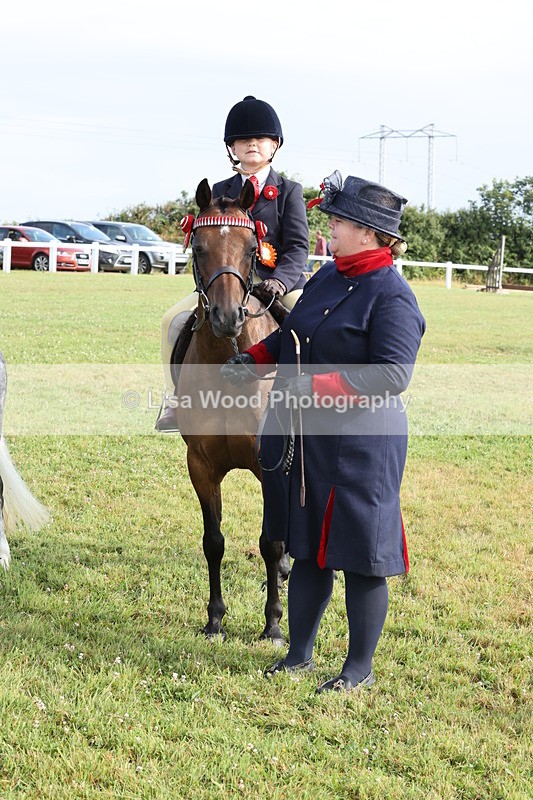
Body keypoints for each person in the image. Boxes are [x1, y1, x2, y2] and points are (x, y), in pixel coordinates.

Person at [221, 171, 426, 693]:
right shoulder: (327, 277)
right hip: (307, 440)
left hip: (362, 444)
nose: (328, 228)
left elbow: (391, 375)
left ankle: (358, 669)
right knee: (307, 547)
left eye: (337, 220)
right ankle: (299, 654)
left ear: (368, 230)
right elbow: (292, 335)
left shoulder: (393, 297)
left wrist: (313, 388)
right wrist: (252, 360)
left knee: (361, 558)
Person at [155, 95, 309, 432]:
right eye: (243, 140)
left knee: (305, 324)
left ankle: (306, 402)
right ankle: (175, 400)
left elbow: (298, 247)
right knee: (173, 320)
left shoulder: (289, 191)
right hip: (225, 285)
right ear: (232, 149)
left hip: (275, 285)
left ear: (274, 146)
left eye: (261, 139)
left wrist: (280, 281)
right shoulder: (217, 192)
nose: (252, 144)